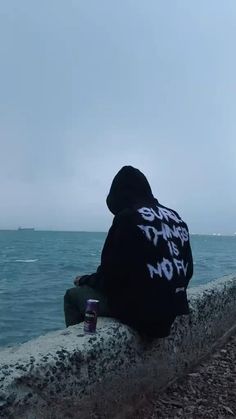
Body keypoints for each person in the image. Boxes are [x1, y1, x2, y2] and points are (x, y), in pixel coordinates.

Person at [64, 166, 193, 338]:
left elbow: (111, 278)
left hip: (141, 315)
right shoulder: (176, 218)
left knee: (72, 296)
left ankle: (81, 349)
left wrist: (85, 280)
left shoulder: (127, 218)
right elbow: (188, 270)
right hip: (172, 310)